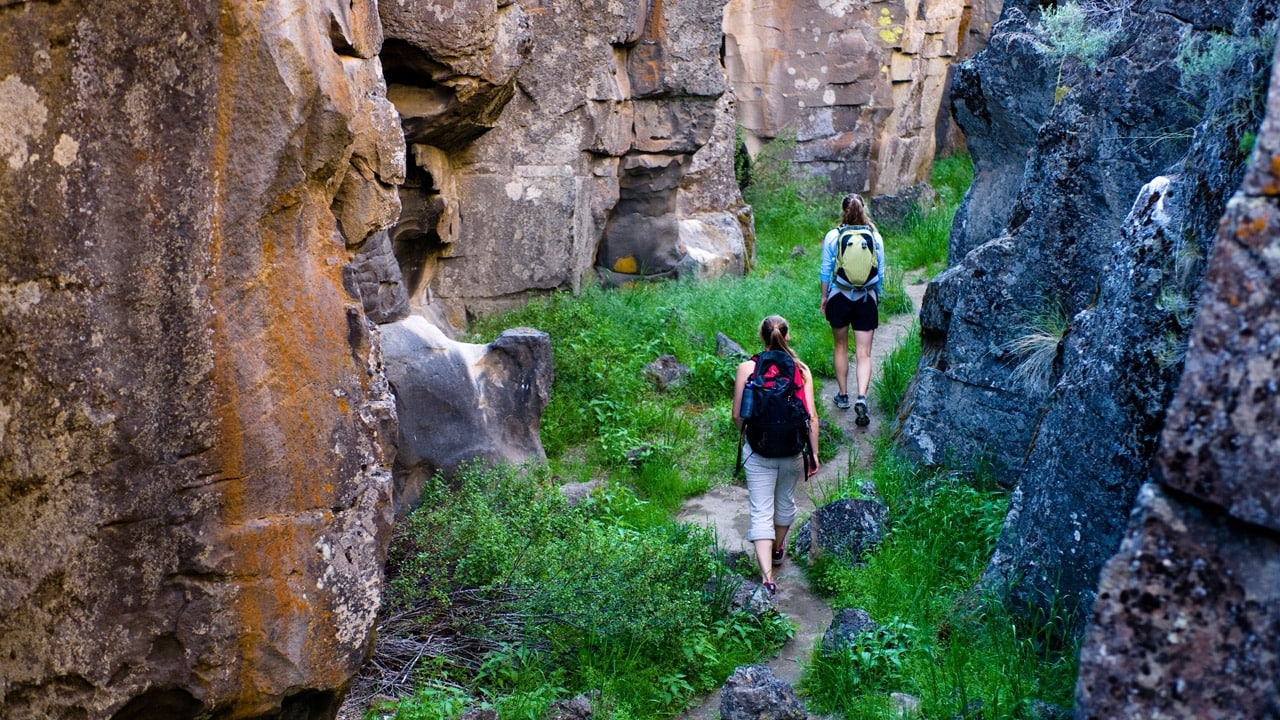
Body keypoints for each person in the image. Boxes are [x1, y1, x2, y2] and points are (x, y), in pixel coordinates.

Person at [732, 315, 820, 593]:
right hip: (792, 449)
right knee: (785, 504)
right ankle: (778, 547)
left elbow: (737, 415)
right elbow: (812, 417)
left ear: (761, 336)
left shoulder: (747, 368)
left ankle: (767, 580)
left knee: (760, 511)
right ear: (787, 336)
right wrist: (813, 455)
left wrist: (748, 435)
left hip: (759, 449)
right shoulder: (801, 370)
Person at [819, 193, 885, 427]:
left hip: (839, 296)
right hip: (866, 298)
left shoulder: (832, 236)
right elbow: (880, 271)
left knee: (840, 346)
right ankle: (862, 397)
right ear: (864, 209)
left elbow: (826, 270)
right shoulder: (874, 236)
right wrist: (878, 296)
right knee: (864, 353)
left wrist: (824, 297)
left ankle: (844, 395)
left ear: (842, 211)